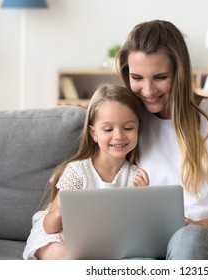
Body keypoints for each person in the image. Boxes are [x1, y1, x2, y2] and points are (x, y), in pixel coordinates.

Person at [117, 20, 208, 260]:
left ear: (180, 73)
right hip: (153, 248)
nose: (148, 90)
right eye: (137, 77)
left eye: (160, 77)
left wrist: (199, 226)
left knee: (187, 239)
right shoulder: (128, 127)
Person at [23, 83, 149, 260]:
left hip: (101, 241)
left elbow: (134, 231)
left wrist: (141, 200)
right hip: (58, 236)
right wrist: (59, 210)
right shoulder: (77, 171)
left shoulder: (136, 177)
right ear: (94, 133)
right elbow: (49, 227)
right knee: (67, 257)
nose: (119, 136)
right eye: (108, 129)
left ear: (138, 129)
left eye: (128, 128)